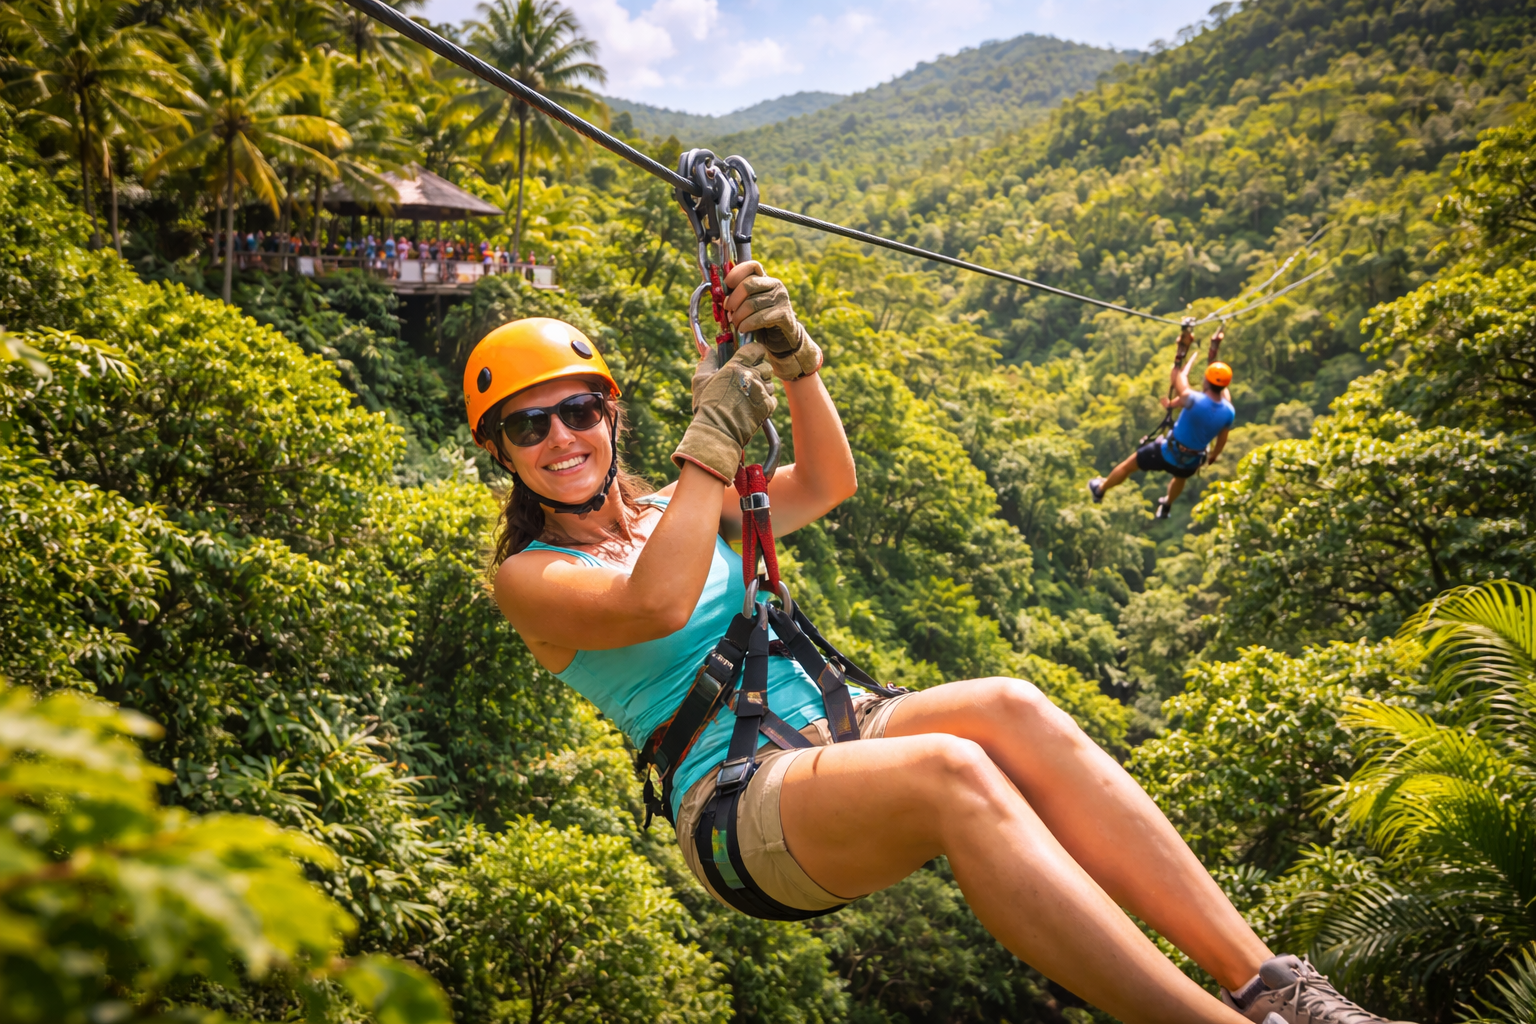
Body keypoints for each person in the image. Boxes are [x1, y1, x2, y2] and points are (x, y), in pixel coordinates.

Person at [465, 261, 1407, 1024]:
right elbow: (657, 602)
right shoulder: (530, 578)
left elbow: (829, 480)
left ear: (610, 414)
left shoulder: (683, 507)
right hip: (735, 801)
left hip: (835, 727)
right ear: (500, 451)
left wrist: (798, 364)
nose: (562, 437)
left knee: (1011, 705)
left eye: (580, 410)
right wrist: (710, 437)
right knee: (953, 772)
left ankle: (1275, 987)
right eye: (528, 424)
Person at [1089, 354, 1235, 519]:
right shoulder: (1228, 412)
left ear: (1206, 381)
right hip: (1191, 461)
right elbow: (1222, 439)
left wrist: (1182, 350)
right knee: (1180, 478)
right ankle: (1167, 505)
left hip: (1166, 452)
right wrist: (1214, 454)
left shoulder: (1193, 399)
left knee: (1127, 466)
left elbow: (1176, 376)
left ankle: (1100, 489)